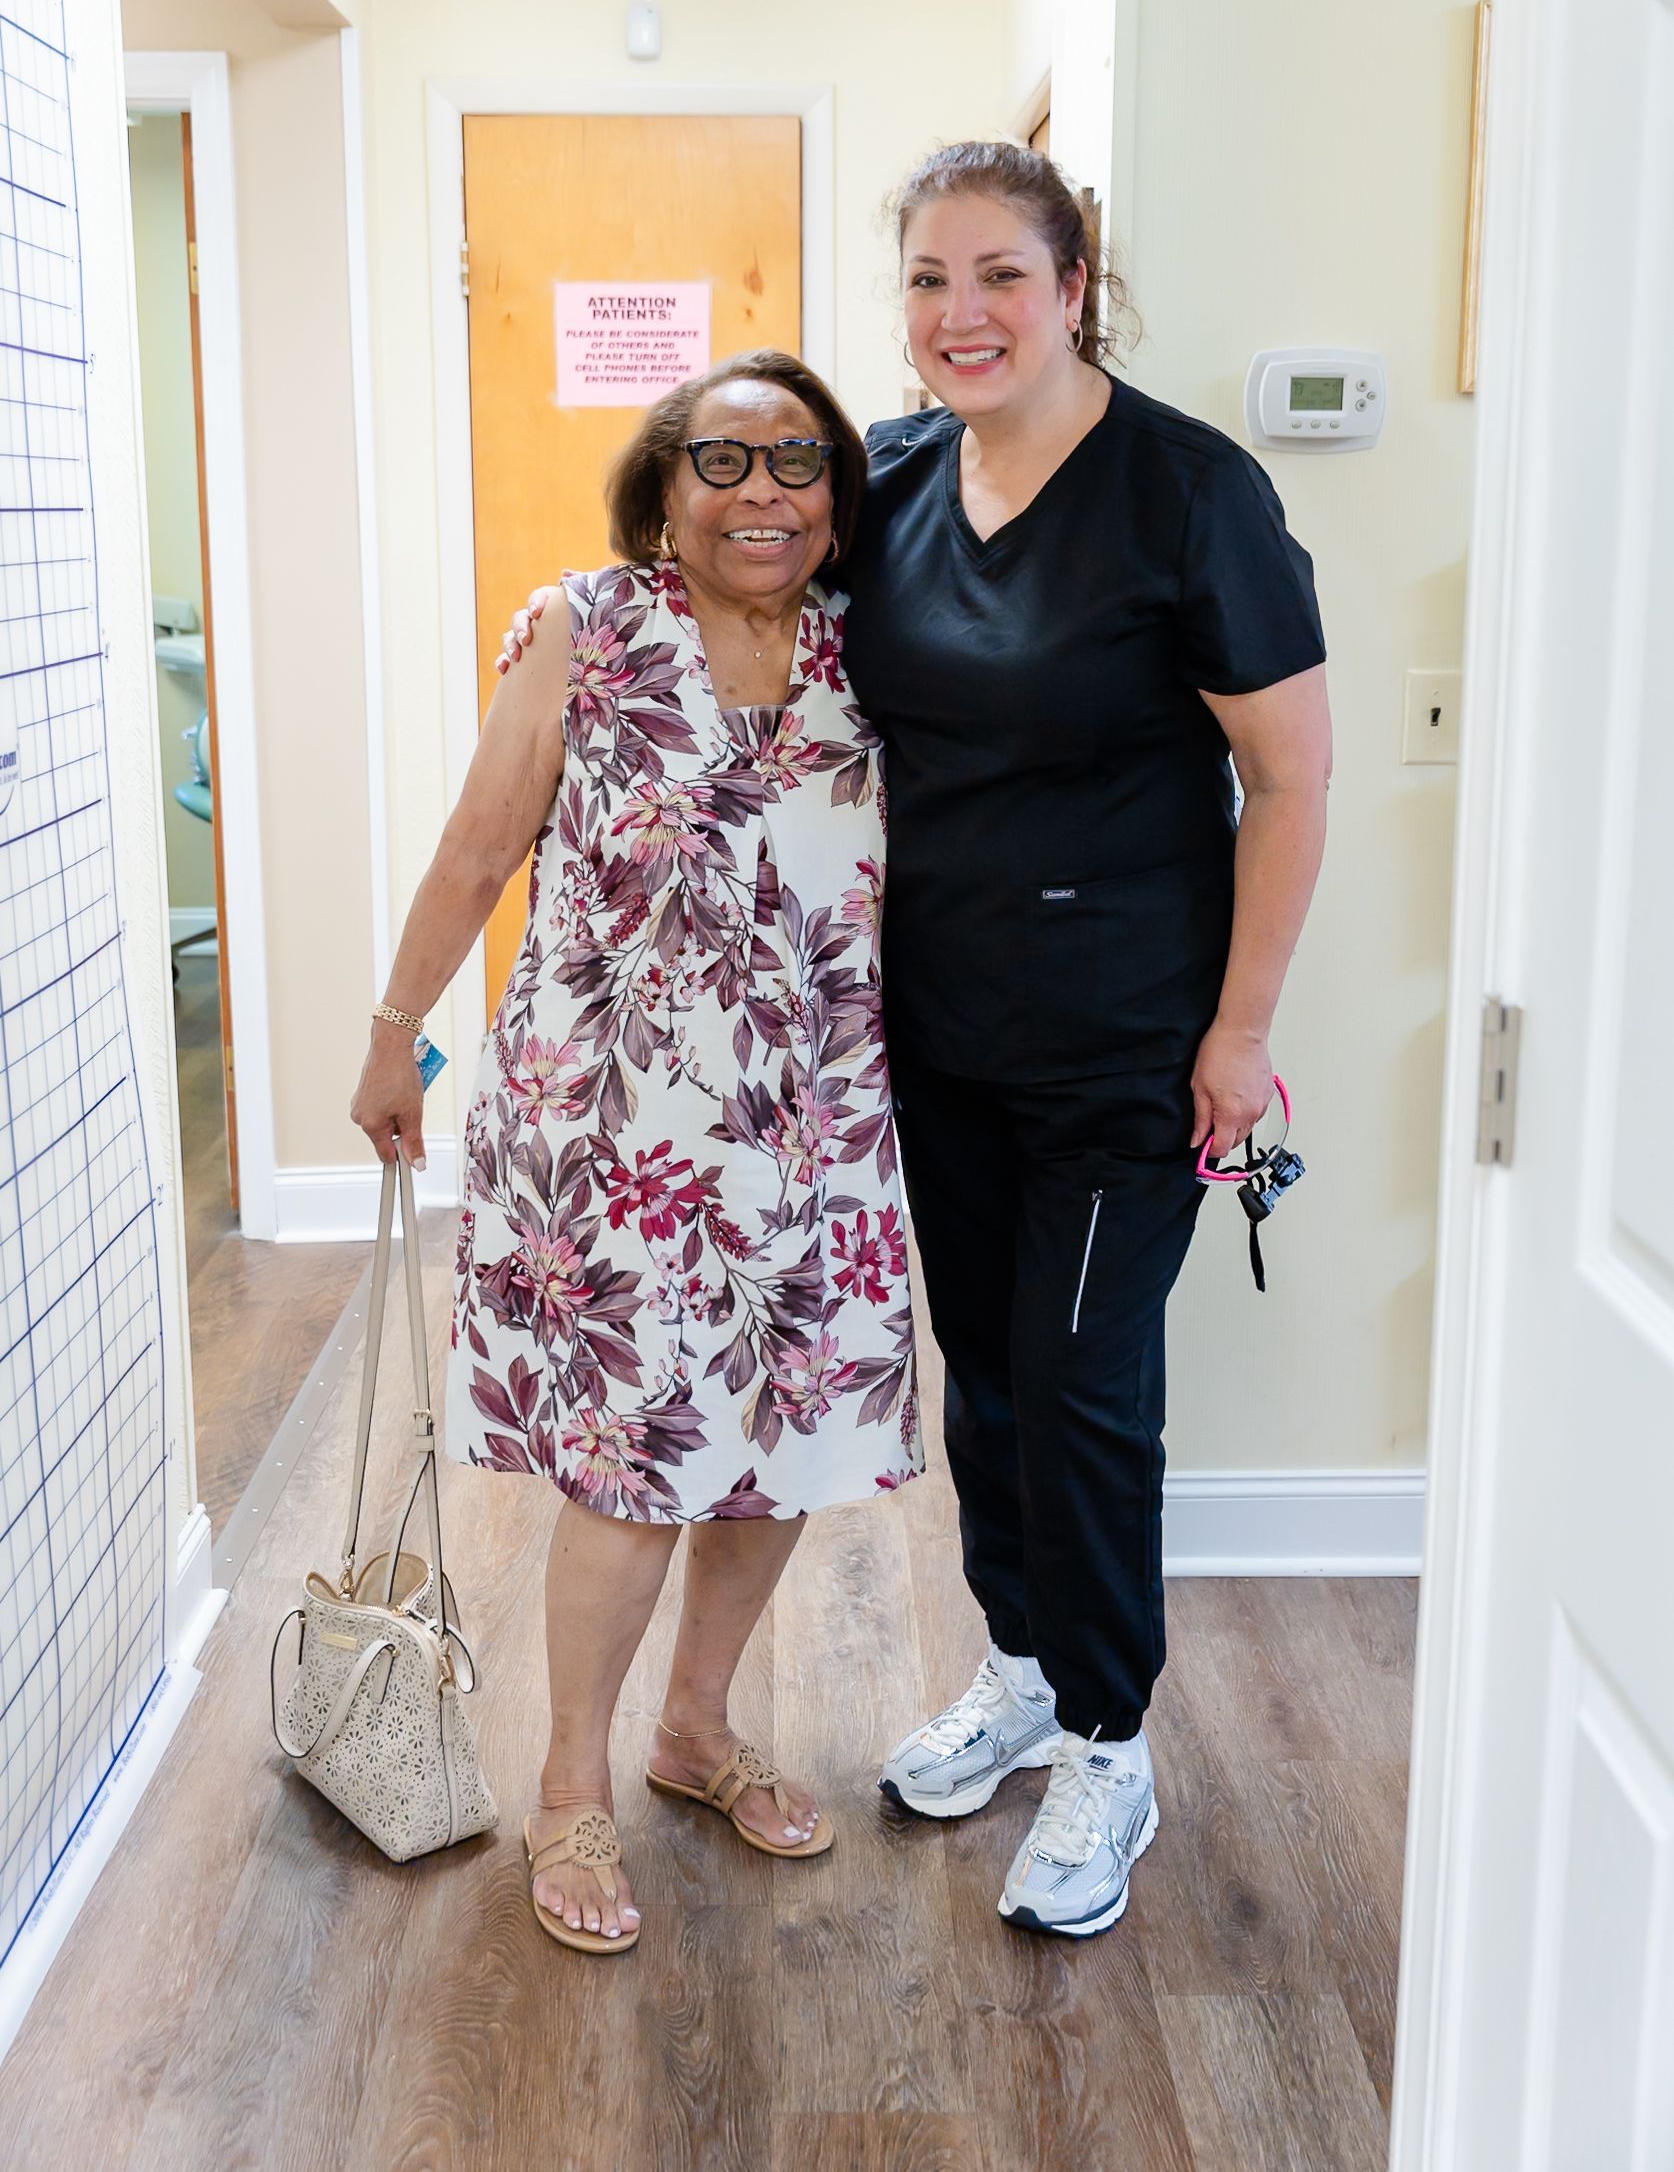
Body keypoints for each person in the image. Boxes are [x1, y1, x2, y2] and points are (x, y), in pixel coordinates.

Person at [501, 139, 1330, 1942]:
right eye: (929, 282)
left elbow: (1287, 772)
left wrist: (1243, 1029)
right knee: (992, 1385)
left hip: (1131, 1045)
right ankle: (1024, 1666)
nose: (961, 315)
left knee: (1088, 1388)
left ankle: (1110, 1742)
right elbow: (734, 560)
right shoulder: (889, 475)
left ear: (1071, 282)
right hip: (922, 1041)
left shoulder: (1192, 494)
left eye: (1000, 277)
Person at [352, 350, 921, 1958]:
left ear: (835, 494)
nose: (761, 493)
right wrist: (396, 1029)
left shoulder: (869, 648)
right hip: (614, 1133)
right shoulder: (587, 632)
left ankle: (696, 1726)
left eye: (795, 462)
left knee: (782, 1448)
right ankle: (567, 1785)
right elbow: (479, 845)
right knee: (632, 1464)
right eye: (721, 462)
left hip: (813, 1129)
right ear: (662, 491)